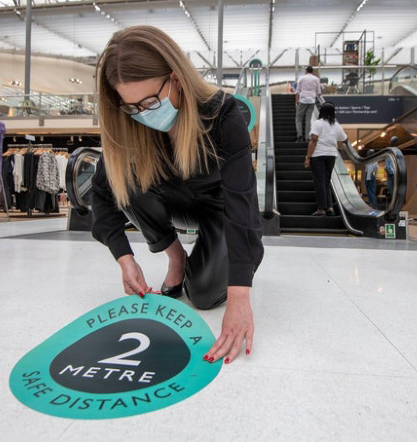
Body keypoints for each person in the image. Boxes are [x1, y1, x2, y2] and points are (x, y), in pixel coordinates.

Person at [90, 26, 264, 364]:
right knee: (123, 177)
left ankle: (209, 262)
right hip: (172, 203)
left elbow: (242, 204)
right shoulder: (131, 123)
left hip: (220, 209)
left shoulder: (224, 114)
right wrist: (124, 258)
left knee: (204, 294)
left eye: (150, 102)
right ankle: (176, 257)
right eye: (132, 107)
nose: (143, 114)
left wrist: (240, 296)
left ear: (176, 78)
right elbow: (101, 192)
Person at [303, 102, 348, 216]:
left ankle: (321, 208)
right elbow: (344, 139)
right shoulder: (336, 125)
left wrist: (308, 157)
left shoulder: (318, 123)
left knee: (320, 182)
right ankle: (330, 208)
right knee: (326, 182)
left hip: (318, 155)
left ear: (321, 112)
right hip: (331, 155)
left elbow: (313, 140)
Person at [295, 66, 322, 142]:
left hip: (302, 100)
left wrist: (296, 102)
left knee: (298, 118)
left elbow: (297, 91)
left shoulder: (301, 78)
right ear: (312, 72)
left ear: (306, 71)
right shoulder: (316, 79)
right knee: (308, 119)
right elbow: (319, 92)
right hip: (311, 101)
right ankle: (307, 138)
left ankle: (300, 136)